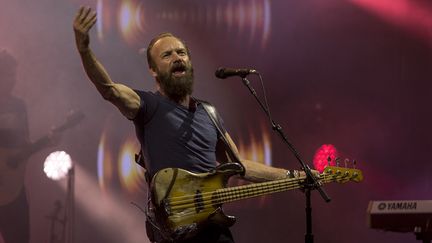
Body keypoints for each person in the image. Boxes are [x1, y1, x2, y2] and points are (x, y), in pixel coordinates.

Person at [73, 6, 313, 243]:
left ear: (190, 61)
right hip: (174, 228)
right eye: (167, 55)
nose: (177, 58)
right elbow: (110, 90)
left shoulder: (209, 113)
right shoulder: (147, 105)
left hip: (212, 227)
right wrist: (85, 50)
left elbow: (239, 166)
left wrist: (293, 176)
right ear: (154, 71)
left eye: (181, 53)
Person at [0, 50, 31, 243]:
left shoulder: (19, 106)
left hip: (13, 188)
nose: (12, 80)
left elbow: (24, 142)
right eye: (7, 74)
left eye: (14, 74)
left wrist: (46, 141)